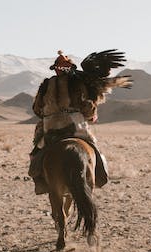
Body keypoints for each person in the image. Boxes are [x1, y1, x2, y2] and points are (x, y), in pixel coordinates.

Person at [28, 50, 131, 194]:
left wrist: (48, 114)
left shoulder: (46, 84)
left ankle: (40, 181)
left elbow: (37, 109)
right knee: (93, 148)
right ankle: (100, 175)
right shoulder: (77, 83)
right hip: (75, 125)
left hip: (51, 126)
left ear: (56, 69)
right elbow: (86, 106)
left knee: (36, 151)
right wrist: (91, 114)